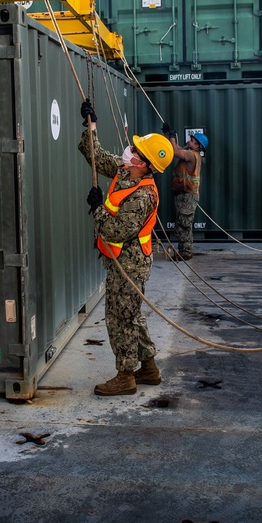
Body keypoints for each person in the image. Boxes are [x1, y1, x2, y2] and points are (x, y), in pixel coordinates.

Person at [79, 101, 174, 396]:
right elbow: (97, 157)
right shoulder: (125, 172)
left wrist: (97, 208)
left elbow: (114, 230)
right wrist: (91, 126)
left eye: (134, 151)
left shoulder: (144, 195)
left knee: (120, 318)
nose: (128, 152)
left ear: (144, 164)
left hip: (129, 266)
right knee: (131, 315)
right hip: (123, 261)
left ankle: (125, 376)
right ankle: (148, 369)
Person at [161, 122, 209, 261]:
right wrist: (167, 135)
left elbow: (175, 151)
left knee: (184, 224)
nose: (189, 141)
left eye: (192, 141)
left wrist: (173, 137)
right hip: (183, 194)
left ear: (198, 146)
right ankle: (184, 251)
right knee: (181, 224)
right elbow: (173, 149)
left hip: (187, 196)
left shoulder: (191, 155)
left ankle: (186, 253)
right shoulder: (190, 153)